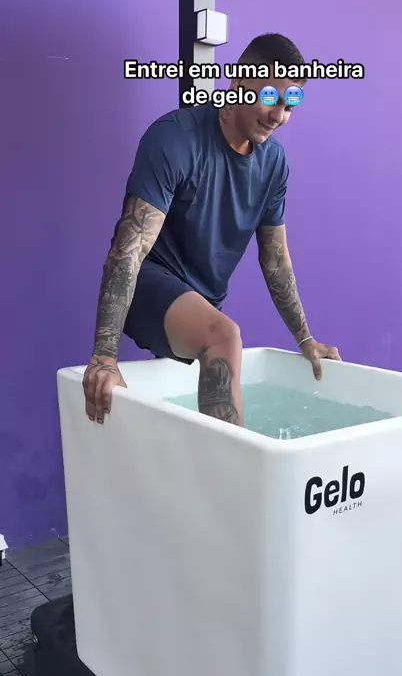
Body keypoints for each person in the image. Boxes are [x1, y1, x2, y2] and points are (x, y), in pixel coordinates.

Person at [82, 33, 341, 426]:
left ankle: (217, 458)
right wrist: (104, 355)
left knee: (220, 338)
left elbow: (275, 260)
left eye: (289, 106)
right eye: (269, 97)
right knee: (225, 336)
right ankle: (234, 464)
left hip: (203, 298)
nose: (278, 116)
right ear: (237, 81)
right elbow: (128, 250)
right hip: (147, 285)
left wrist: (305, 339)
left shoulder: (274, 164)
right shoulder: (175, 138)